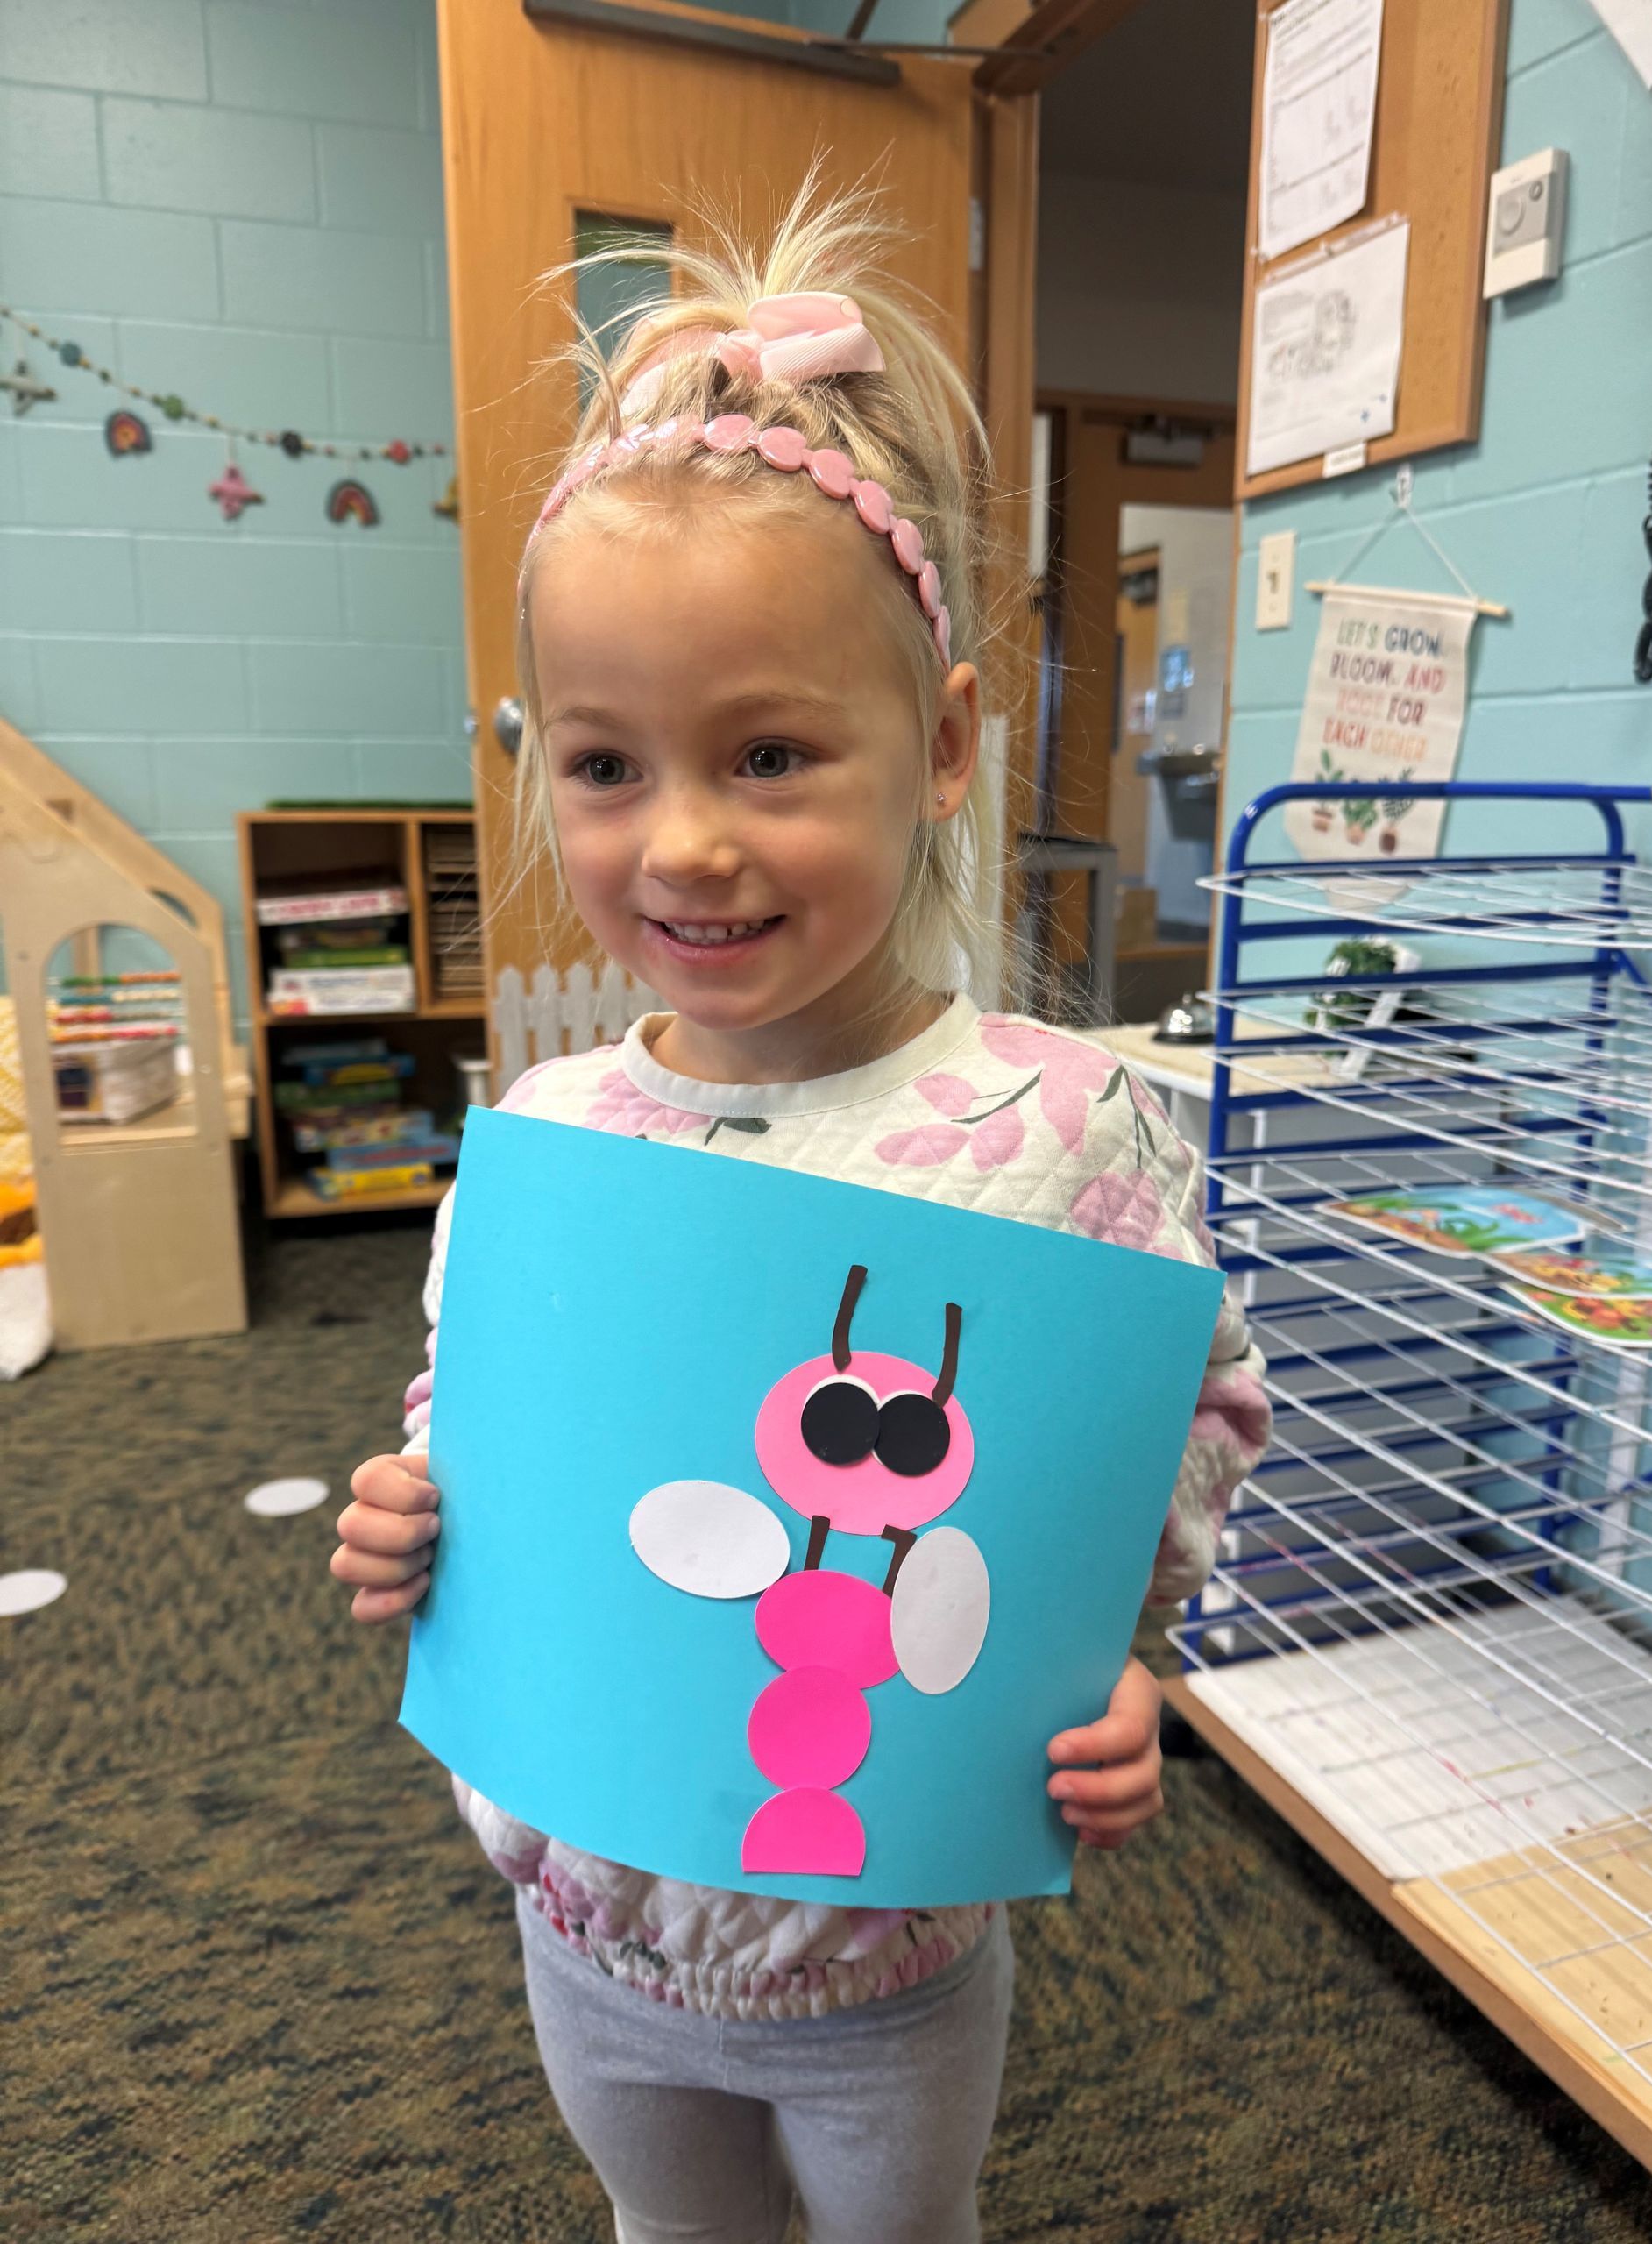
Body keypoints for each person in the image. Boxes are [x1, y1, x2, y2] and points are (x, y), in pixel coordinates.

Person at [331, 185, 1270, 2244]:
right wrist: (415, 1510)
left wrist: (1119, 1662)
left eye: (766, 753)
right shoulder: (553, 1133)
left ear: (941, 745)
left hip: (883, 1953)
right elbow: (480, 1417)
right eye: (605, 765)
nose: (682, 842)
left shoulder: (1065, 1130)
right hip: (589, 1917)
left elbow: (1184, 1412)